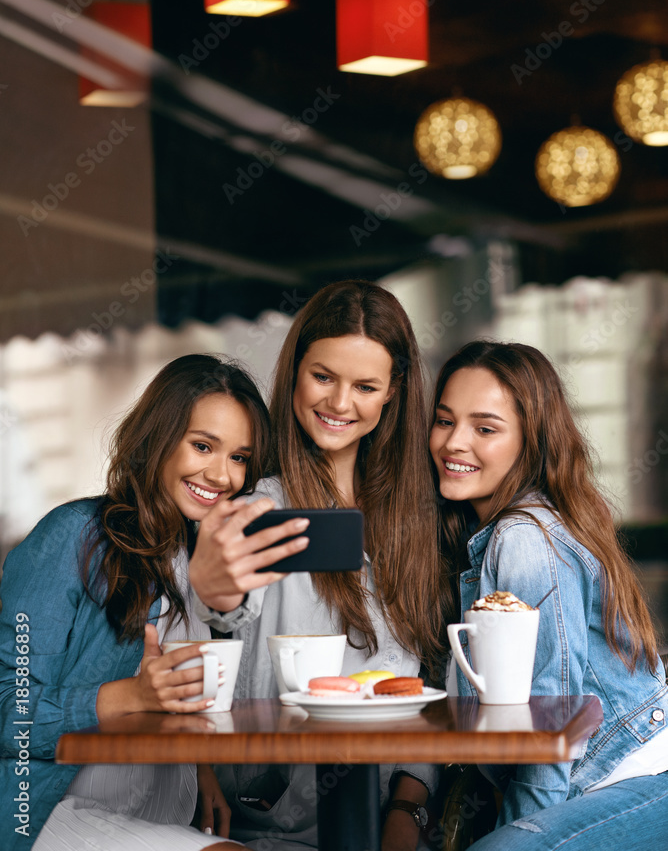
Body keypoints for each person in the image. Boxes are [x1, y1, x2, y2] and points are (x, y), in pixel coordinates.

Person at [0, 354, 309, 851]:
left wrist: (201, 769)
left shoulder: (195, 555)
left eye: (239, 457)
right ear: (159, 439)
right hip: (48, 815)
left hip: (162, 815)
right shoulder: (73, 537)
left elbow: (180, 693)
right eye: (203, 446)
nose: (222, 474)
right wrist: (131, 696)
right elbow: (6, 714)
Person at [190, 280, 450, 851]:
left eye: (364, 386)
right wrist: (216, 590)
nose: (338, 403)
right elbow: (223, 616)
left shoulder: (419, 518)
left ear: (393, 393)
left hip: (390, 819)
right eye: (323, 376)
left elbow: (429, 681)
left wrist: (409, 805)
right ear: (295, 372)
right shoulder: (259, 506)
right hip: (275, 827)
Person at [429, 339, 668, 850]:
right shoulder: (492, 533)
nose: (454, 443)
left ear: (530, 443)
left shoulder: (523, 537)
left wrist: (518, 835)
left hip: (634, 776)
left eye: (485, 428)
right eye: (445, 421)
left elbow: (549, 726)